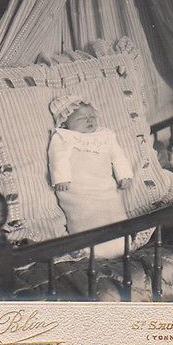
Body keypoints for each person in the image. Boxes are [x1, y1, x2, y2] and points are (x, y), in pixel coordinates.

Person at [48, 94, 134, 258]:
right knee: (84, 215)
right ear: (65, 122)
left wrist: (124, 175)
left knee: (114, 212)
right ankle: (90, 249)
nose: (89, 120)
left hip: (104, 189)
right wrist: (61, 178)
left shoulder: (106, 135)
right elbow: (58, 158)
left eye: (92, 116)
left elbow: (118, 156)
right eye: (82, 118)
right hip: (78, 191)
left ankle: (122, 245)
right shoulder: (62, 136)